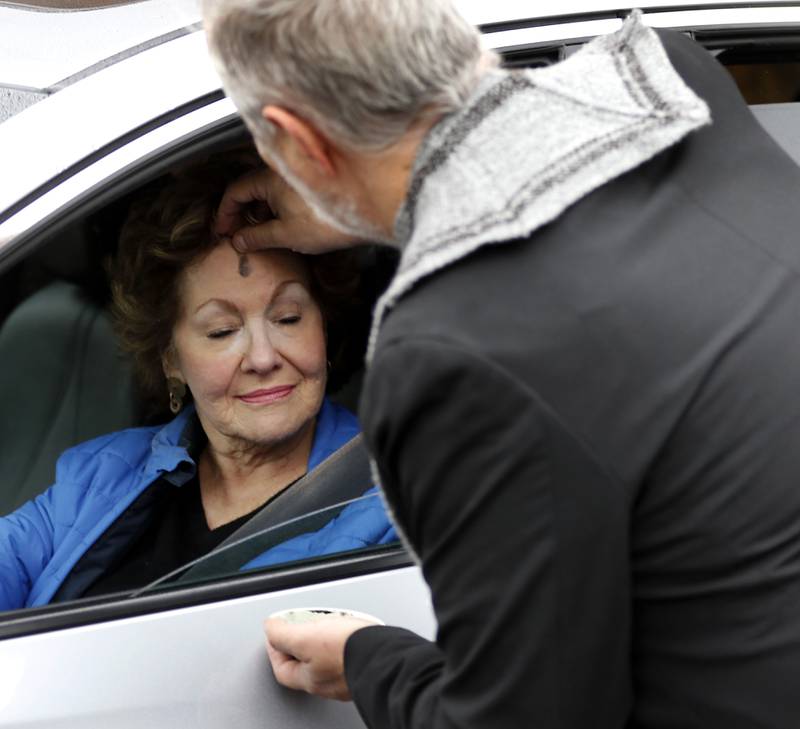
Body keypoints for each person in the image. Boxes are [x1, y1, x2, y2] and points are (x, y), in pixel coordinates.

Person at [203, 2, 800, 728]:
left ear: (300, 142)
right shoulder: (673, 82)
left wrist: (368, 657)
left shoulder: (452, 356)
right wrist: (365, 206)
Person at [0, 159, 396, 611]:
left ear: (323, 327)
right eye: (222, 331)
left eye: (288, 317)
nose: (264, 358)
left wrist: (366, 207)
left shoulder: (392, 502)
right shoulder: (100, 476)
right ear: (171, 360)